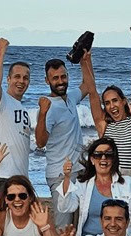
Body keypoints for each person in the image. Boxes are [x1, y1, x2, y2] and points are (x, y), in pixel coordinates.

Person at [79, 50, 131, 177]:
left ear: (124, 101)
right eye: (107, 103)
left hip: (126, 183)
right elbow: (92, 91)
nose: (111, 106)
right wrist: (85, 61)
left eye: (115, 100)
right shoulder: (104, 125)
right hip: (104, 179)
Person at [38, 57, 89, 224]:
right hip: (60, 174)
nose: (60, 81)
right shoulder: (49, 107)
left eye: (63, 76)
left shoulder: (71, 98)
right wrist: (43, 113)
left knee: (78, 226)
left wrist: (85, 60)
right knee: (63, 228)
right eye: (55, 78)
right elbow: (40, 142)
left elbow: (88, 85)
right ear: (47, 81)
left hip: (80, 170)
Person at [0, 38, 38, 183]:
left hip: (22, 177)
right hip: (3, 176)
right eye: (17, 77)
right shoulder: (1, 100)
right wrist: (1, 51)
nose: (21, 81)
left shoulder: (24, 110)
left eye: (25, 78)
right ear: (8, 79)